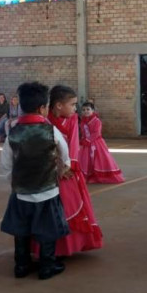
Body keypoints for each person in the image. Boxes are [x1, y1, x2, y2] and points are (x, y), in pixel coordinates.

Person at [0, 82, 70, 280]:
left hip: (21, 193)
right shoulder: (51, 132)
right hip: (47, 191)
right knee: (48, 230)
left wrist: (14, 183)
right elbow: (64, 155)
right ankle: (47, 266)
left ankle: (21, 266)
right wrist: (63, 170)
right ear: (42, 108)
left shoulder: (12, 133)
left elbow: (6, 164)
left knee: (21, 231)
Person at [40, 85, 103, 257]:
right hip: (49, 170)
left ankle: (70, 245)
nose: (76, 109)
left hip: (68, 170)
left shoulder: (73, 119)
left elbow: (74, 143)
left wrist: (68, 165)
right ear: (59, 105)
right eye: (73, 104)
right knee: (50, 209)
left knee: (69, 205)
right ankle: (52, 247)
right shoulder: (46, 119)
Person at [79, 102, 124, 184]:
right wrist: (82, 140)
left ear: (93, 110)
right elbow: (83, 132)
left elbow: (97, 133)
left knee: (99, 159)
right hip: (86, 145)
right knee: (86, 160)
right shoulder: (82, 122)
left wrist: (88, 140)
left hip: (96, 143)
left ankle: (98, 176)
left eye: (88, 109)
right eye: (83, 110)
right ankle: (90, 176)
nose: (86, 111)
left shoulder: (96, 121)